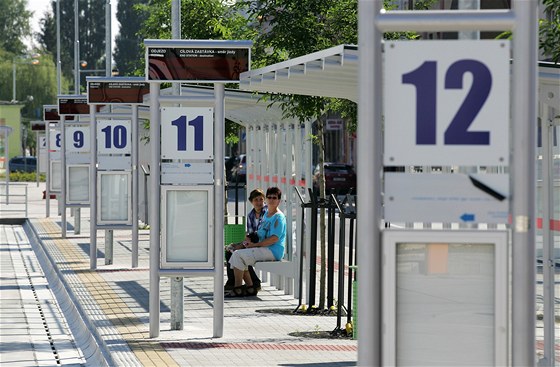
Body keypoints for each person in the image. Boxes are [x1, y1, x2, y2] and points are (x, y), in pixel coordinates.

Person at [226, 187, 286, 298]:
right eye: (269, 197)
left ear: (279, 201)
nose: (272, 200)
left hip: (273, 250)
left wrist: (254, 245)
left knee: (238, 255)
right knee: (236, 253)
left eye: (275, 198)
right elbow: (259, 233)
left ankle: (237, 287)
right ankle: (250, 287)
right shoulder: (267, 215)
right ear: (267, 199)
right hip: (264, 248)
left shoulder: (278, 217)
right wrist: (247, 241)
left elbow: (274, 238)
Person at [225, 189, 266, 291]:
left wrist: (243, 244)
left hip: (262, 243)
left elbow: (260, 234)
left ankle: (250, 283)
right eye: (256, 200)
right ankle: (233, 281)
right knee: (229, 250)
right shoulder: (251, 215)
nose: (259, 202)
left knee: (239, 253)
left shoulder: (267, 213)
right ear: (251, 201)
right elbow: (249, 234)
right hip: (253, 242)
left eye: (261, 199)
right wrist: (242, 243)